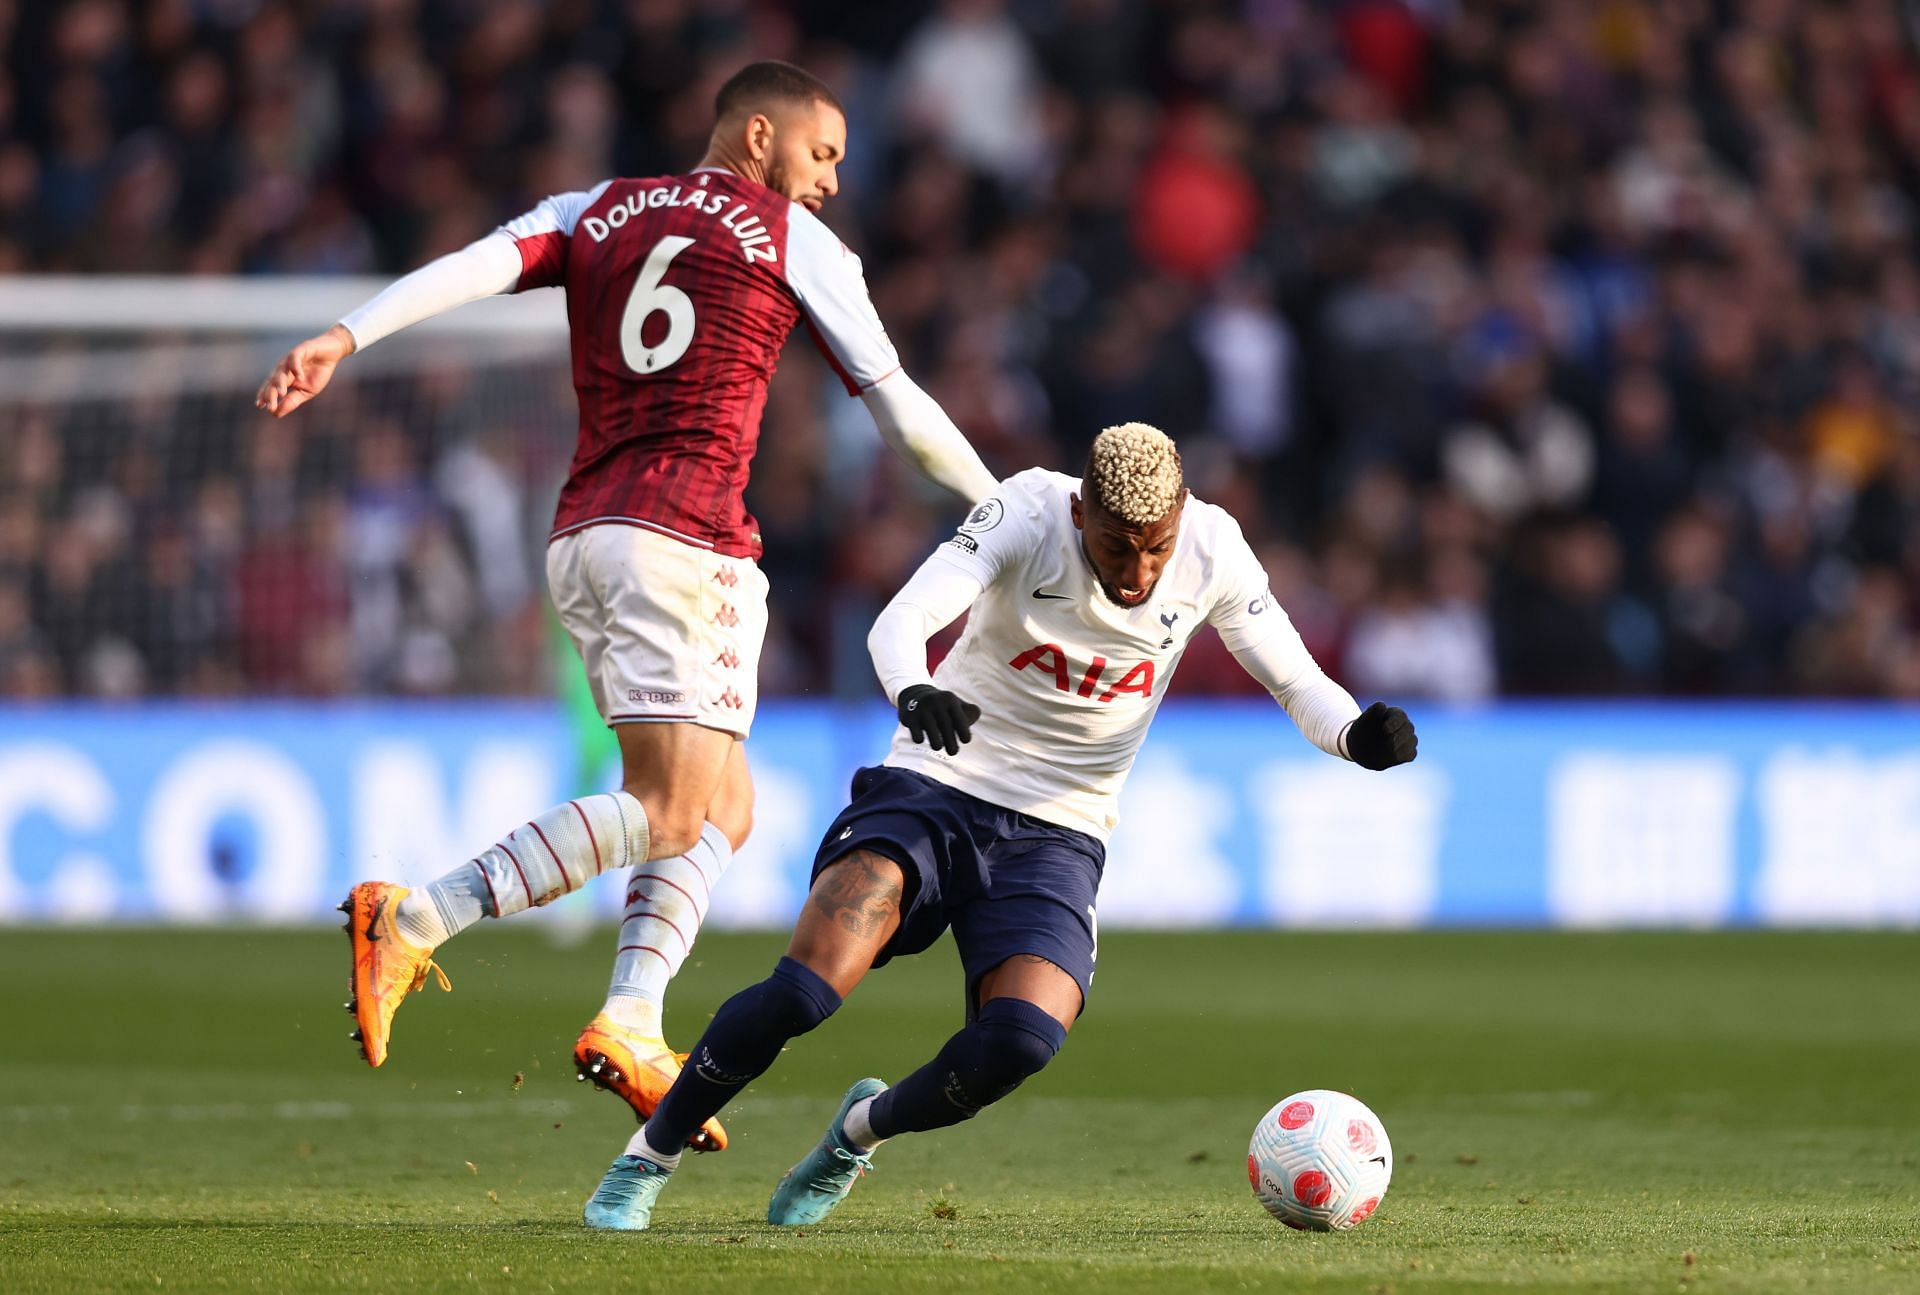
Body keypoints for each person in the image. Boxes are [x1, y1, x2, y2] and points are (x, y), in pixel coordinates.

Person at [254, 61, 998, 1154]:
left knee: (724, 801)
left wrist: (345, 335)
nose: (834, 180)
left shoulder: (591, 208)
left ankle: (633, 1018)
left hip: (587, 533)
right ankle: (415, 916)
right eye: (824, 154)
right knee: (670, 810)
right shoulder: (790, 238)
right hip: (683, 539)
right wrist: (1012, 510)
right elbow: (904, 413)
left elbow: (470, 267)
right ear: (760, 136)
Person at [579, 422, 1418, 1229]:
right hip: (937, 783)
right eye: (1119, 545)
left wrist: (1351, 734)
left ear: (1182, 513)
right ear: (1082, 511)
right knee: (806, 989)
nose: (1138, 570)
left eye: (1155, 546)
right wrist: (913, 688)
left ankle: (855, 1133)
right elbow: (900, 620)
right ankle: (648, 1156)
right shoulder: (1027, 510)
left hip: (1062, 827)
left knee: (1020, 1040)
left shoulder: (1213, 546)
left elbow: (1296, 680)